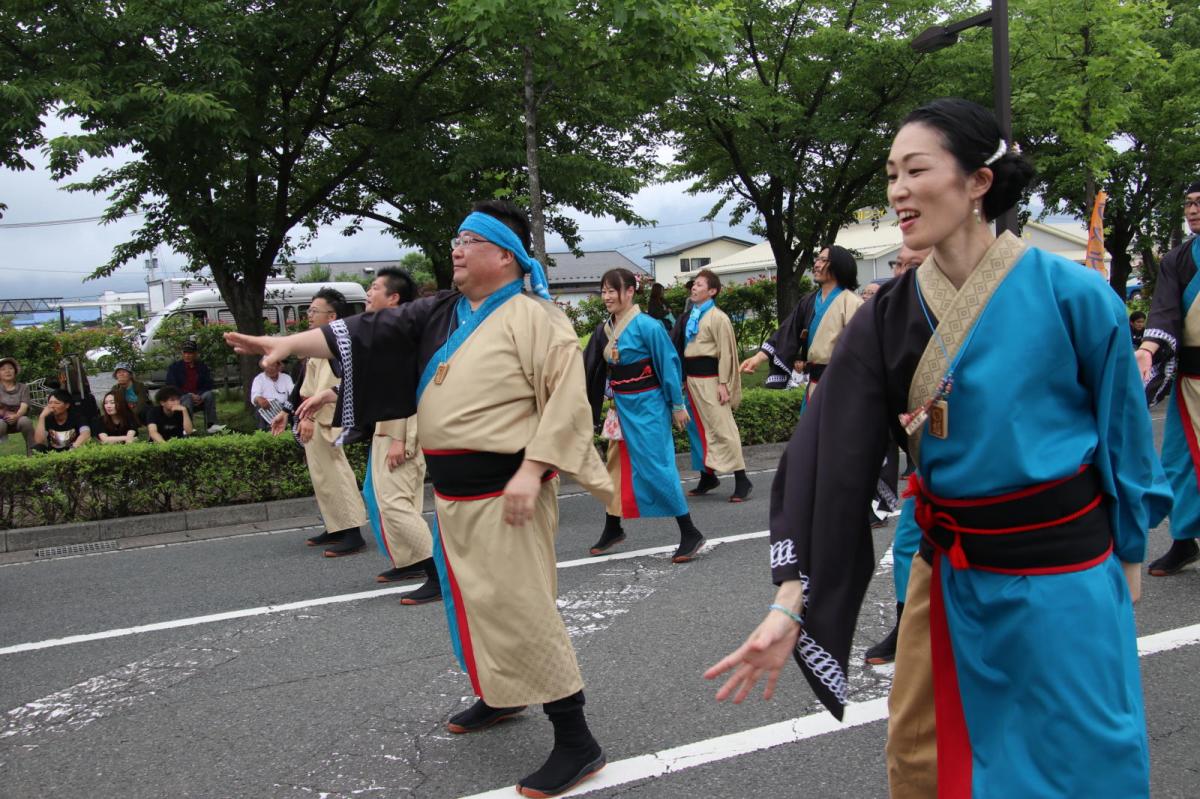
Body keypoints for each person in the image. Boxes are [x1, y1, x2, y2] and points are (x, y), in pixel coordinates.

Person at [705, 98, 1169, 798]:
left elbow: (1126, 440)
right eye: (891, 172)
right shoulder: (884, 318)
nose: (897, 189)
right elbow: (824, 456)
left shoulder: (1075, 294)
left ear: (978, 181)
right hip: (947, 576)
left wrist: (1130, 550)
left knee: (1083, 758)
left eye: (915, 169)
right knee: (928, 760)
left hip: (1066, 571)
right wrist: (789, 599)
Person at [227, 199, 613, 798]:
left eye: (467, 240)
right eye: (455, 239)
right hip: (455, 493)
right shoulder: (442, 312)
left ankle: (576, 740)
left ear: (503, 254)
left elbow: (567, 402)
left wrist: (532, 469)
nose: (455, 249)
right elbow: (365, 331)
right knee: (474, 604)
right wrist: (285, 345)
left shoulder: (539, 318)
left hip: (508, 487)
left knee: (521, 607)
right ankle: (501, 693)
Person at [296, 268, 442, 599]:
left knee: (395, 502)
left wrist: (401, 438)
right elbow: (370, 385)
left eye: (374, 287)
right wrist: (325, 395)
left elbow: (414, 391)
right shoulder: (383, 334)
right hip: (384, 428)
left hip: (400, 430)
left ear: (394, 298)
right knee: (381, 499)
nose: (368, 292)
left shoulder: (406, 335)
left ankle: (438, 575)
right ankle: (410, 560)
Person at [582, 268, 705, 562]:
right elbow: (593, 368)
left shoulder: (648, 326)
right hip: (621, 407)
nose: (607, 296)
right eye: (603, 291)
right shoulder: (605, 329)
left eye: (613, 290)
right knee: (615, 467)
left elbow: (669, 364)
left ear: (629, 292)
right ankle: (613, 526)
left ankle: (690, 531)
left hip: (648, 405)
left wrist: (677, 406)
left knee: (657, 466)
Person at [1138, 178, 1200, 576]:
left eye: (1199, 202)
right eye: (1189, 203)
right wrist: (1147, 349)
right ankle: (1183, 541)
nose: (1192, 210)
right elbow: (1163, 311)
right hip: (1190, 379)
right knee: (1178, 462)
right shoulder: (1177, 259)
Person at [294, 288, 370, 558]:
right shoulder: (320, 344)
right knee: (322, 477)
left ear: (333, 316)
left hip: (331, 419)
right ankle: (336, 526)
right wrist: (298, 413)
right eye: (310, 310)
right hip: (316, 417)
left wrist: (310, 417)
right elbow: (306, 388)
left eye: (315, 310)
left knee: (337, 476)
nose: (309, 315)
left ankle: (352, 532)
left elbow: (341, 386)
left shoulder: (341, 344)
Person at [738, 246, 863, 401]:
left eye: (823, 260)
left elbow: (862, 350)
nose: (816, 264)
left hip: (842, 385)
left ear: (840, 265)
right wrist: (757, 358)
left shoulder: (852, 303)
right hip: (814, 384)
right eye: (817, 259)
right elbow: (786, 332)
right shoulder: (808, 301)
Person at [680, 269, 753, 501]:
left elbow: (727, 354)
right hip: (692, 382)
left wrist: (724, 383)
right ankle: (707, 475)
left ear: (712, 291)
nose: (694, 287)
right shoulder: (693, 315)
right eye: (694, 284)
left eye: (700, 285)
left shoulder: (718, 317)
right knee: (697, 429)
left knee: (723, 428)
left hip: (711, 381)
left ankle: (742, 478)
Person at [165, 341, 222, 432]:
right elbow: (171, 386)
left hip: (199, 395)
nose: (187, 355)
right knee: (188, 398)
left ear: (195, 354)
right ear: (182, 353)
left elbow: (208, 384)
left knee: (209, 394)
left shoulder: (202, 367)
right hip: (181, 397)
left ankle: (212, 425)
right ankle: (188, 427)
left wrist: (199, 394)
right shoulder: (174, 368)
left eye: (190, 353)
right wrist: (189, 394)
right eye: (185, 353)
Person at [0, 357, 35, 454]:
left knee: (26, 421)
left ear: (15, 371)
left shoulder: (24, 387)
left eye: (10, 368)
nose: (7, 371)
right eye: (3, 369)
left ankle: (32, 454)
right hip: (2, 418)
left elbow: (24, 405)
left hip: (18, 418)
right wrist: (6, 415)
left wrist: (17, 416)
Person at [250, 360, 294, 431]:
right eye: (268, 367)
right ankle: (263, 433)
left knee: (291, 408)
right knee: (259, 410)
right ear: (264, 368)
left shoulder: (286, 378)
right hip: (266, 408)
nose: (270, 369)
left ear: (278, 367)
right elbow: (255, 395)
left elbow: (293, 392)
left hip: (283, 408)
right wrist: (259, 399)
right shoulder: (259, 379)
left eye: (273, 366)